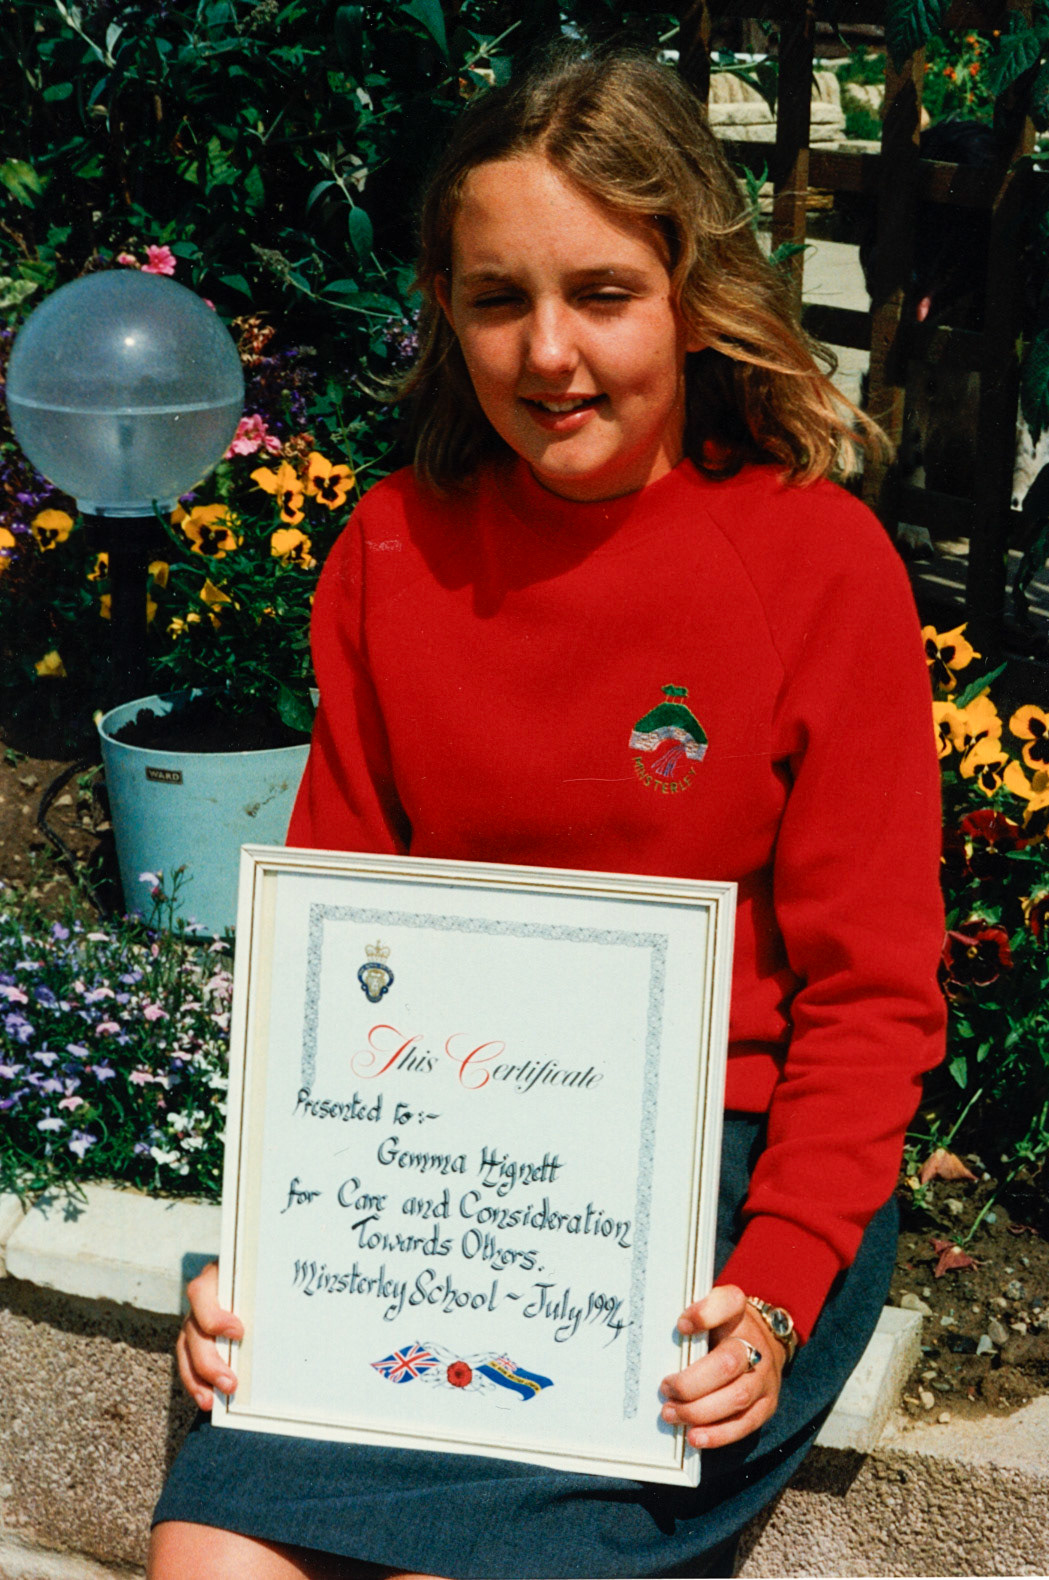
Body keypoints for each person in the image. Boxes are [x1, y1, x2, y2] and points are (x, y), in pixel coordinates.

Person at [149, 48, 945, 1580]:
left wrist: (772, 1291)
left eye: (600, 292)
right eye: (497, 298)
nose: (548, 352)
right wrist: (260, 1255)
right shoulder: (391, 551)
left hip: (721, 1194)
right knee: (208, 1559)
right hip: (429, 1189)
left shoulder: (817, 566)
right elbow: (334, 959)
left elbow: (870, 999)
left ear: (690, 293)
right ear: (445, 312)